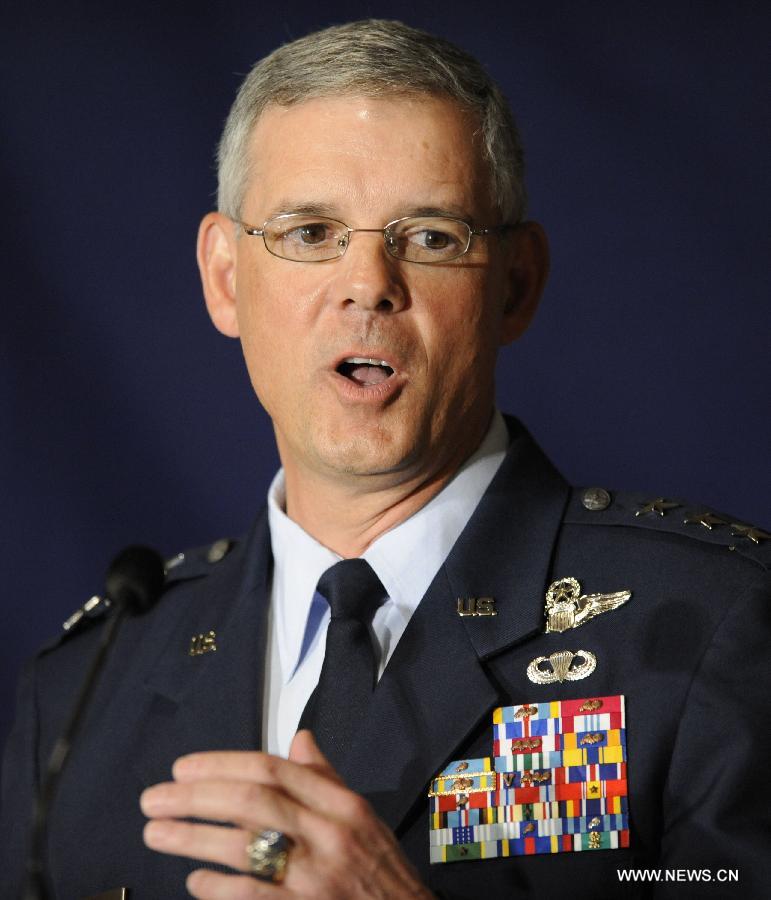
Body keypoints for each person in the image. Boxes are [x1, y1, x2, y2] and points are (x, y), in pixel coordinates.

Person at [2, 18, 769, 900]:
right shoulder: (81, 695)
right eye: (309, 231)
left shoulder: (719, 627)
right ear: (224, 278)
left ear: (514, 285)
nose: (368, 282)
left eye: (431, 236)